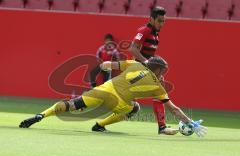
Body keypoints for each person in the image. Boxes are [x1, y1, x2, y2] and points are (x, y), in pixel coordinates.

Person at [19, 56, 207, 137]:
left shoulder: (134, 64)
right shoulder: (158, 86)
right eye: (163, 71)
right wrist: (190, 122)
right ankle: (99, 125)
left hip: (103, 89)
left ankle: (41, 115)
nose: (163, 75)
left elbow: (107, 64)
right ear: (157, 69)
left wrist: (102, 70)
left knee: (71, 105)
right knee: (135, 108)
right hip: (117, 103)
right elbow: (173, 109)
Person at [129, 6, 175, 135]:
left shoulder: (156, 34)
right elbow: (133, 49)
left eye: (164, 21)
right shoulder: (144, 30)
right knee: (124, 103)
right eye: (159, 21)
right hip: (138, 70)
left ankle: (162, 127)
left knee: (159, 93)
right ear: (151, 19)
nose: (162, 24)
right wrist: (147, 62)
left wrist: (155, 71)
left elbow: (150, 55)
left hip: (147, 71)